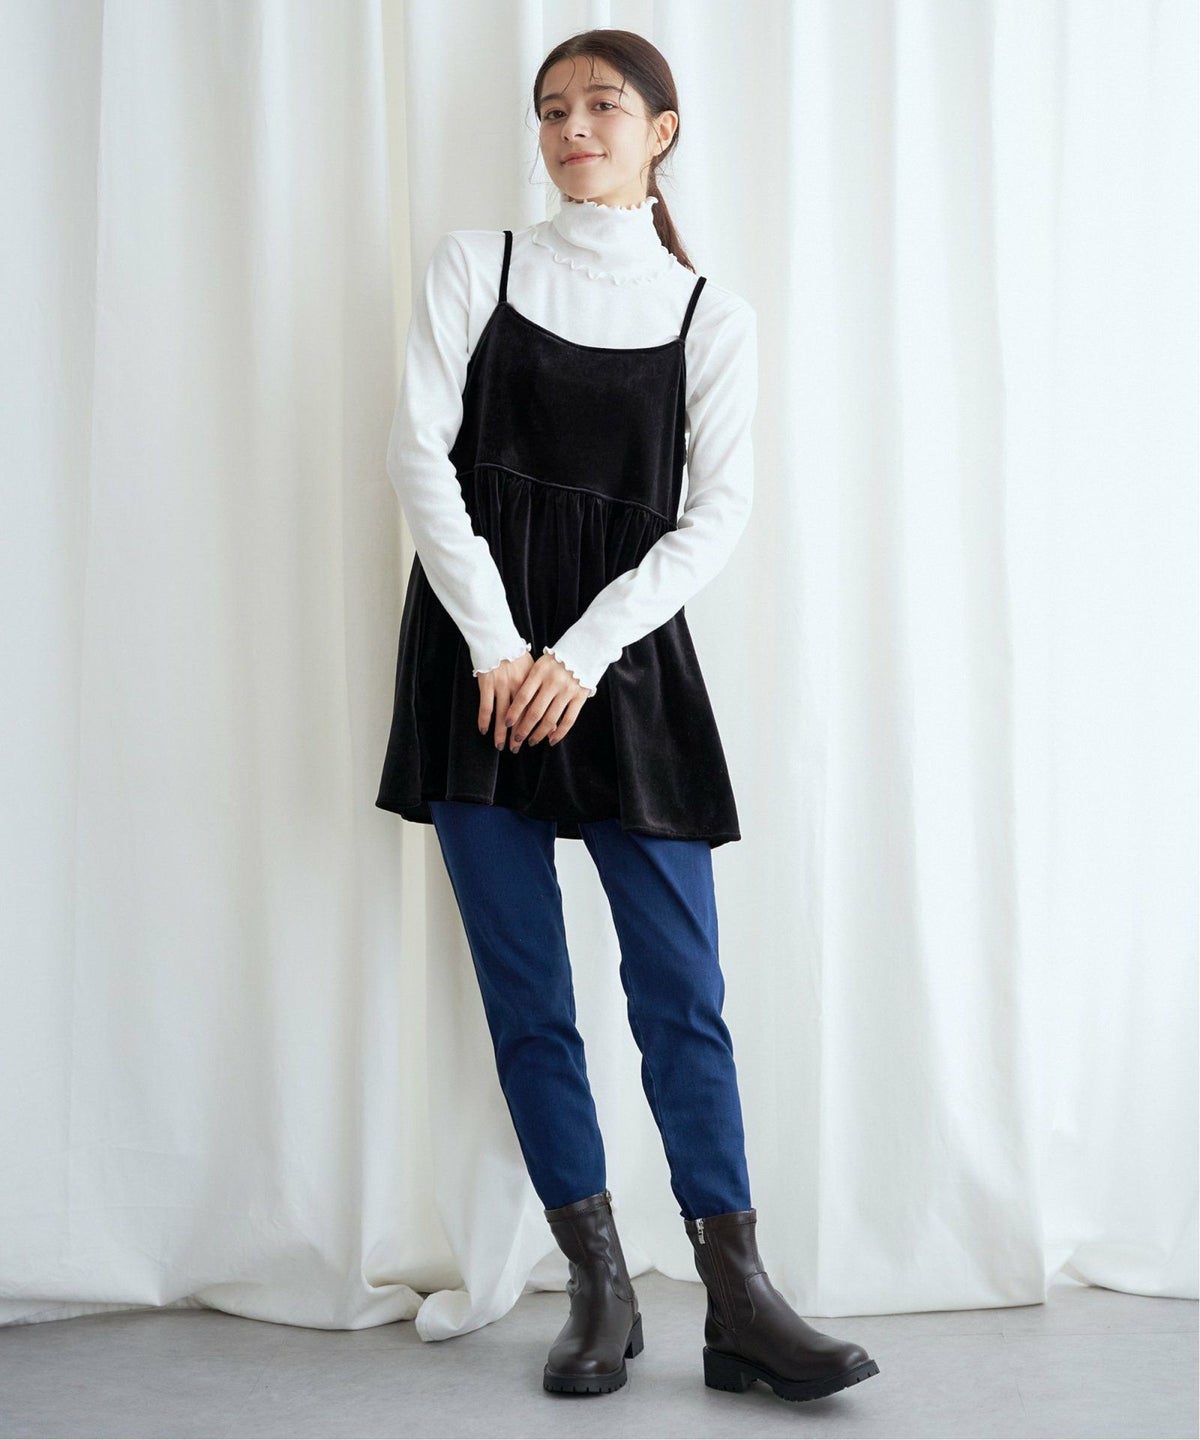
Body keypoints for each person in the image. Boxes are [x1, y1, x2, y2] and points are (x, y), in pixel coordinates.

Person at [375, 28, 879, 1405]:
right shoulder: (478, 264)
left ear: (662, 130)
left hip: (626, 670)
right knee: (528, 995)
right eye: (552, 110)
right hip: (477, 669)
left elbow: (716, 515)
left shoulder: (712, 313)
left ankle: (739, 1299)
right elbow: (419, 453)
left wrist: (579, 654)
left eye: (602, 105)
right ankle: (598, 1286)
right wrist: (498, 647)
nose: (573, 129)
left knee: (681, 994)